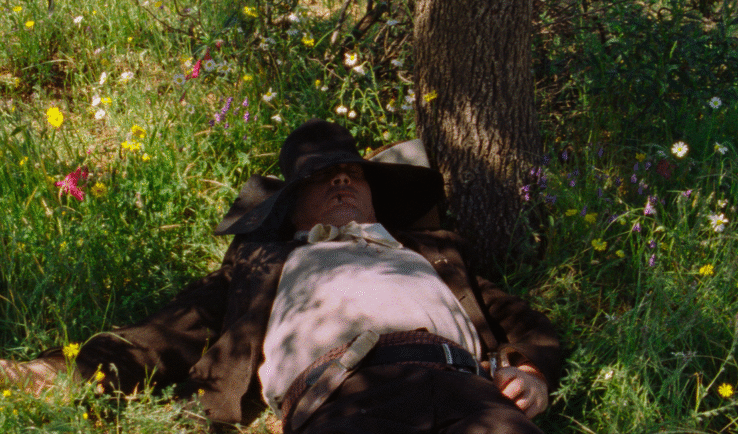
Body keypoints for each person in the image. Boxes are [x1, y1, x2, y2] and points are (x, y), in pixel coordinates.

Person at [1, 119, 561, 433]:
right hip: (343, 401)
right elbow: (158, 337)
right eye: (324, 180)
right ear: (292, 207)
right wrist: (45, 372)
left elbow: (519, 319)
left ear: (374, 193)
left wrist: (531, 370)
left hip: (468, 391)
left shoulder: (434, 251)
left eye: (352, 176)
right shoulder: (260, 265)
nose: (342, 184)